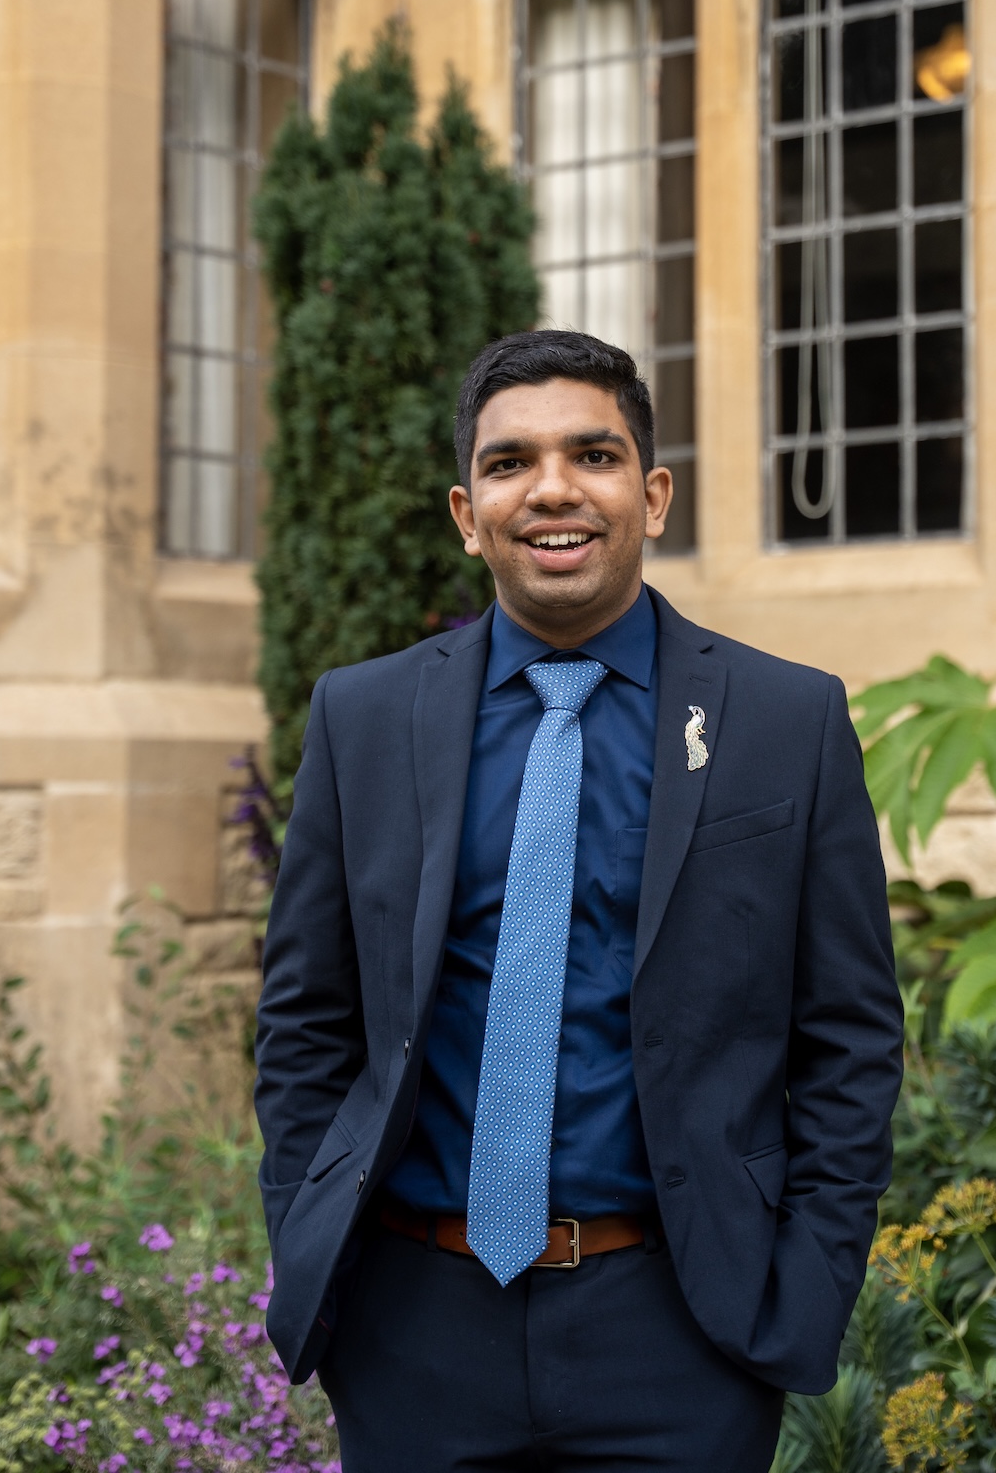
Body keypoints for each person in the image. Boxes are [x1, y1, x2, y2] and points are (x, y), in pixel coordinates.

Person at [254, 330, 905, 1473]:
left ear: (652, 494)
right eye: (509, 464)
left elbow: (849, 1037)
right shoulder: (362, 719)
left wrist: (798, 1296)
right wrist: (315, 1250)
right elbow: (307, 1021)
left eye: (593, 455)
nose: (552, 489)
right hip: (413, 1333)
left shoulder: (785, 722)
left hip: (681, 1337)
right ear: (468, 513)